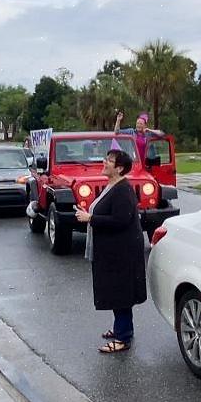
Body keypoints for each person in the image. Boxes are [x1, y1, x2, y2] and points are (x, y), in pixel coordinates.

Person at [75, 149, 146, 353]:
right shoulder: (112, 185)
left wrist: (91, 219)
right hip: (113, 250)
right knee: (117, 292)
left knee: (121, 293)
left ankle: (123, 338)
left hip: (122, 252)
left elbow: (121, 219)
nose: (104, 162)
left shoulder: (123, 189)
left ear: (120, 168)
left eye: (109, 160)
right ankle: (121, 329)